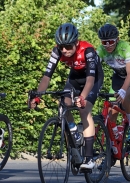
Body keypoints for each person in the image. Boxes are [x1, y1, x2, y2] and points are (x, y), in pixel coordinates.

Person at [30, 23, 104, 169]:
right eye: (61, 47)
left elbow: (90, 80)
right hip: (75, 78)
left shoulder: (87, 50)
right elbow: (47, 76)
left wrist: (82, 97)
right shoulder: (57, 51)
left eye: (68, 47)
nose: (64, 50)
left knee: (84, 110)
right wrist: (38, 96)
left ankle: (89, 158)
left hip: (93, 79)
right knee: (63, 103)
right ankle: (75, 132)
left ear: (76, 42)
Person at [97, 23, 130, 143]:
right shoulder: (101, 50)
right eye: (104, 42)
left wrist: (123, 91)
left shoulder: (125, 48)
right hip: (118, 77)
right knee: (112, 109)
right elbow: (92, 69)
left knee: (124, 97)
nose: (108, 45)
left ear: (117, 39)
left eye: (111, 41)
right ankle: (114, 141)